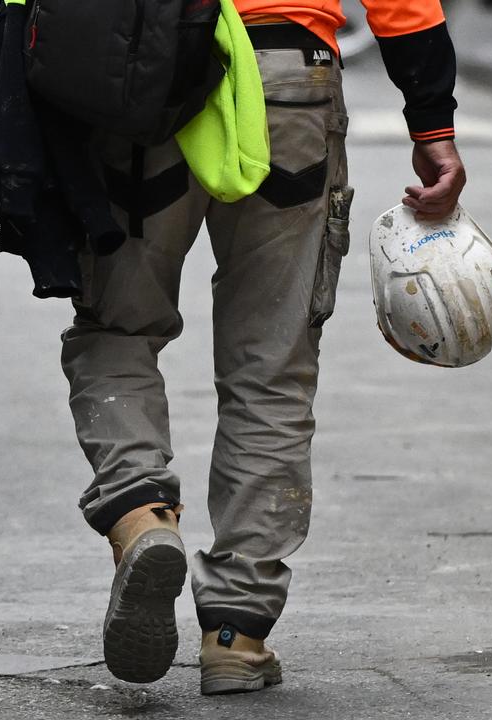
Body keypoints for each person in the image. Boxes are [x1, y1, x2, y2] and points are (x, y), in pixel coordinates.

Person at [60, 0, 467, 694]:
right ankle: (236, 632)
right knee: (271, 361)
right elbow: (402, 7)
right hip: (287, 78)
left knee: (118, 327)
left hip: (143, 67)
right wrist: (431, 121)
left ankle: (140, 513)